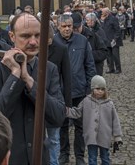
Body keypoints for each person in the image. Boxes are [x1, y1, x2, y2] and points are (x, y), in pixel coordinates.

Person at [0, 13, 66, 164]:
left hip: (39, 157)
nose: (33, 41)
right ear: (12, 36)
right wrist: (15, 76)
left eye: (38, 35)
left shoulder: (48, 68)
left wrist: (29, 82)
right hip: (6, 157)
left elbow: (58, 116)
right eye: (25, 36)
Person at [54, 14, 96, 165]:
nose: (67, 29)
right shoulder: (52, 42)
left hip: (79, 90)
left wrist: (89, 88)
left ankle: (79, 155)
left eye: (69, 26)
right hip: (60, 91)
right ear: (58, 26)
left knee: (80, 125)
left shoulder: (82, 41)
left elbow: (90, 65)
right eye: (64, 26)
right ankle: (64, 153)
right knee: (62, 124)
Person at [67, 75, 123, 165]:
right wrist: (66, 111)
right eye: (97, 89)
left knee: (105, 157)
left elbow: (115, 121)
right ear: (92, 89)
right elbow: (77, 112)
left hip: (105, 136)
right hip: (91, 137)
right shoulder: (86, 101)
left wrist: (117, 137)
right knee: (92, 158)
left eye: (102, 89)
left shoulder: (109, 104)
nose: (100, 91)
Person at [47, 27, 72, 165]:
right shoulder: (33, 45)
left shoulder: (61, 49)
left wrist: (67, 104)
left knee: (54, 138)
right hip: (34, 96)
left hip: (55, 97)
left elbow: (67, 78)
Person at [101, 8, 122, 74]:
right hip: (107, 40)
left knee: (115, 55)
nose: (102, 13)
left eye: (103, 12)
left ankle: (118, 69)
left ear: (106, 12)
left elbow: (117, 30)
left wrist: (115, 39)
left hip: (114, 40)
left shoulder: (113, 19)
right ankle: (111, 68)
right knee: (109, 56)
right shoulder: (104, 19)